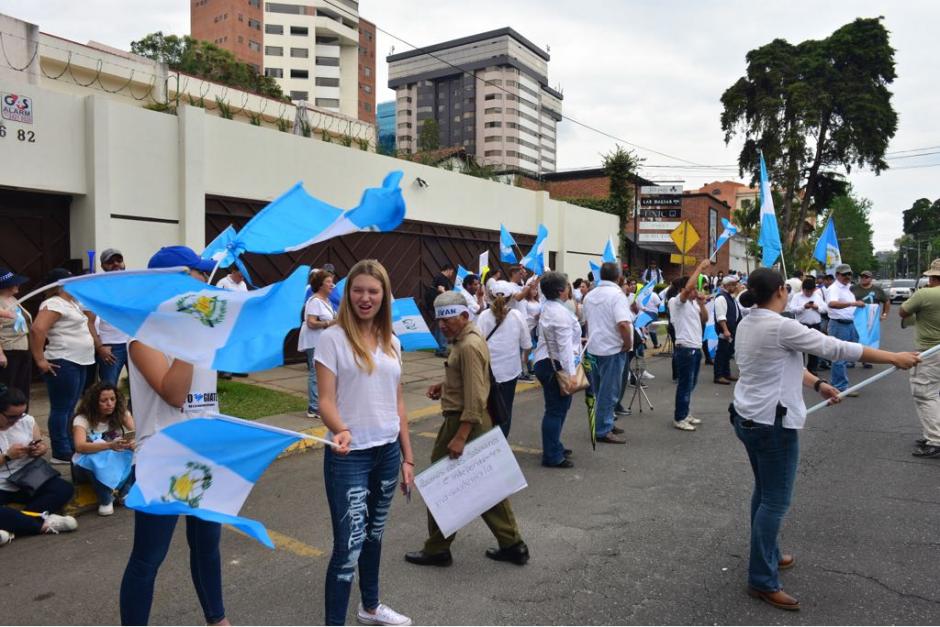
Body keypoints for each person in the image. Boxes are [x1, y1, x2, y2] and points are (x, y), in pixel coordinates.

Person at [731, 268, 918, 611]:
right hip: (771, 424)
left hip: (749, 418)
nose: (789, 293)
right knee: (774, 500)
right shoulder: (779, 325)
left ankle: (767, 554)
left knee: (764, 492)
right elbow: (835, 347)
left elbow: (783, 362)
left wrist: (818, 384)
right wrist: (894, 357)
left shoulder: (751, 321)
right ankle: (761, 578)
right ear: (778, 292)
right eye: (786, 289)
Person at [119, 245, 229, 627]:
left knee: (207, 549)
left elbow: (205, 400)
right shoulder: (142, 338)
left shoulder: (201, 334)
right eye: (198, 274)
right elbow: (174, 394)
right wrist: (191, 337)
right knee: (148, 558)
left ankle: (217, 620)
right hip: (161, 456)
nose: (204, 281)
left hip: (205, 451)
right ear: (175, 283)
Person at [315, 259, 414, 626]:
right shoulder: (332, 338)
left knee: (373, 536)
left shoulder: (393, 342)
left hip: (387, 453)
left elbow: (398, 402)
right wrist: (340, 428)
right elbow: (325, 399)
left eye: (373, 291)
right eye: (358, 290)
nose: (365, 297)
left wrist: (408, 457)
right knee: (347, 549)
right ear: (347, 294)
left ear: (385, 295)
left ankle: (370, 608)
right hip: (349, 457)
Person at [405, 291, 528, 566]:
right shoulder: (465, 340)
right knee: (487, 486)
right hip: (469, 421)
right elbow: (469, 380)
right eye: (439, 321)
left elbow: (475, 397)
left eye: (448, 320)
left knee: (441, 483)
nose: (442, 326)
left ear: (464, 316)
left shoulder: (469, 346)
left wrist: (460, 437)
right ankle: (513, 544)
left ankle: (437, 548)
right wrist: (445, 385)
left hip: (464, 422)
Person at [30, 268, 96, 463]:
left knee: (70, 406)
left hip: (80, 359)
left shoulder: (72, 303)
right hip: (63, 359)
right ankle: (60, 451)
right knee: (61, 407)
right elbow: (37, 329)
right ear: (60, 284)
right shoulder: (54, 303)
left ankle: (68, 442)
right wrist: (40, 359)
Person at [0, 384, 78, 540]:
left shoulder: (27, 421)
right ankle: (42, 525)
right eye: (11, 417)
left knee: (63, 489)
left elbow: (39, 443)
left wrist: (39, 449)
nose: (16, 421)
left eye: (21, 415)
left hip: (27, 477)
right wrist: (7, 456)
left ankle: (12, 528)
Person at [583, 262, 632, 444]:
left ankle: (606, 423)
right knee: (609, 391)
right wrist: (627, 343)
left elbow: (587, 322)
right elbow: (623, 324)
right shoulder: (617, 295)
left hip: (594, 347)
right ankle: (603, 429)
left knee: (599, 390)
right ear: (618, 277)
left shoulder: (590, 295)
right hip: (612, 348)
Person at [71, 382, 136, 516]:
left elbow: (137, 432)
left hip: (114, 455)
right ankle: (106, 499)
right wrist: (109, 445)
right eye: (104, 400)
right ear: (94, 402)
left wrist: (133, 442)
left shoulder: (121, 413)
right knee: (98, 458)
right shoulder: (82, 419)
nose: (109, 404)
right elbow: (80, 446)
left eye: (112, 399)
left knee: (134, 452)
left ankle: (125, 491)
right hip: (85, 463)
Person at [476, 286, 531, 439]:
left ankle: (485, 444)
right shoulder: (517, 315)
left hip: (487, 371)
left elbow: (477, 342)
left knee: (487, 410)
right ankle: (501, 447)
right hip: (510, 370)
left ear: (490, 296)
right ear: (510, 298)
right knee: (505, 410)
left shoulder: (484, 316)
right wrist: (524, 359)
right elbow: (527, 344)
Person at [899, 258, 940, 458]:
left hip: (931, 351)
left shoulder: (924, 294)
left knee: (925, 394)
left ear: (932, 276)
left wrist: (918, 298)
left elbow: (903, 311)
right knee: (936, 394)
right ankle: (935, 433)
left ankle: (936, 440)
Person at [669, 259, 713, 431]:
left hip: (695, 347)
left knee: (691, 384)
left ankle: (685, 413)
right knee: (685, 384)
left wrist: (702, 304)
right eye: (694, 288)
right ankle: (679, 417)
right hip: (685, 348)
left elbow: (705, 319)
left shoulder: (693, 303)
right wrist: (700, 268)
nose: (696, 291)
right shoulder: (676, 302)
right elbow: (688, 289)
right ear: (683, 289)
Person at [86, 249, 132, 386]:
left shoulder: (132, 285)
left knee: (140, 390)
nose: (116, 264)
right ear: (103, 266)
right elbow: (89, 322)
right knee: (108, 388)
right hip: (111, 347)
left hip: (133, 343)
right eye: (110, 262)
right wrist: (100, 347)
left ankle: (131, 408)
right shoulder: (97, 289)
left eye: (119, 260)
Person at [298, 270, 336, 419]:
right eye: (328, 282)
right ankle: (313, 408)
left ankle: (323, 404)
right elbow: (311, 323)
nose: (332, 285)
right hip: (315, 341)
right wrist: (329, 323)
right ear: (320, 285)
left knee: (325, 373)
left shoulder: (327, 301)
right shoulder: (314, 301)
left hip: (324, 342)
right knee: (315, 374)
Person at [826, 264, 865, 395]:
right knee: (839, 356)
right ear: (837, 275)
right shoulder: (834, 288)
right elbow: (832, 304)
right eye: (844, 274)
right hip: (838, 324)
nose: (847, 277)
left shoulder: (849, 288)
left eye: (849, 274)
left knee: (851, 351)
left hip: (849, 323)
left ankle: (839, 382)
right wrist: (853, 303)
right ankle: (840, 387)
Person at [0, 267, 32, 402]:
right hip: (8, 351)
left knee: (22, 390)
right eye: (14, 282)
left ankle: (21, 420)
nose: (18, 285)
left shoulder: (13, 299)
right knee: (8, 391)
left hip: (23, 349)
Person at [852, 270, 890, 369]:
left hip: (872, 317)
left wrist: (884, 314)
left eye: (866, 277)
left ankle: (866, 359)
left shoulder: (877, 290)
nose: (864, 279)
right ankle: (851, 359)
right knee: (855, 336)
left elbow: (886, 301)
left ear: (871, 279)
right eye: (862, 277)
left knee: (868, 338)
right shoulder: (853, 288)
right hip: (856, 316)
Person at [788, 278, 828, 374]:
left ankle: (812, 369)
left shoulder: (817, 296)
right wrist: (803, 307)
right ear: (803, 289)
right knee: (800, 349)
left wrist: (817, 307)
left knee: (814, 348)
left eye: (811, 291)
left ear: (814, 289)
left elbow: (825, 309)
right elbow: (791, 309)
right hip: (801, 325)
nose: (809, 293)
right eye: (807, 291)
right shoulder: (797, 296)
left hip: (815, 325)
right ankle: (800, 369)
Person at [714, 275, 742, 385]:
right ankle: (719, 375)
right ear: (727, 286)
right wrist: (725, 330)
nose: (735, 287)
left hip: (731, 330)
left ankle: (726, 373)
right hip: (725, 330)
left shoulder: (730, 297)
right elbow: (721, 316)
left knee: (727, 352)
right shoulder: (721, 297)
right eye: (733, 285)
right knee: (721, 352)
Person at [425, 264, 456, 358]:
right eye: (452, 272)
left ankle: (438, 348)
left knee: (439, 326)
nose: (452, 274)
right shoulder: (442, 278)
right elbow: (440, 289)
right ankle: (442, 349)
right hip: (440, 305)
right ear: (449, 270)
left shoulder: (438, 276)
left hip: (435, 304)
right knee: (443, 326)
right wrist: (449, 295)